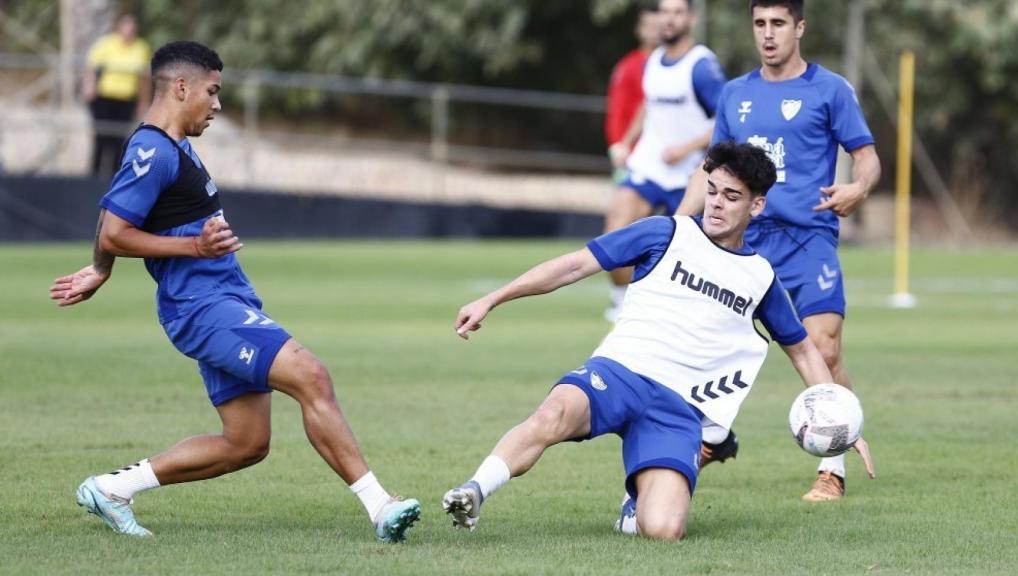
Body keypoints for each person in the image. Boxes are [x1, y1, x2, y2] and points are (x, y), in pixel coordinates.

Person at [49, 41, 420, 542]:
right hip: (202, 307)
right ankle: (380, 508)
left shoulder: (173, 146)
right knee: (311, 375)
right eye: (213, 91)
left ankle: (111, 489)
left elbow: (110, 214)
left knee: (246, 443)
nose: (218, 104)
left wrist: (101, 268)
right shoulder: (152, 148)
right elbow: (116, 228)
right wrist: (191, 251)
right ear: (181, 87)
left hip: (225, 298)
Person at [441, 142, 875, 540]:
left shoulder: (760, 277)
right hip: (619, 372)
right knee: (552, 414)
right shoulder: (664, 232)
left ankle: (635, 507)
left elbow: (802, 350)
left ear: (757, 205)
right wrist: (494, 298)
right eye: (713, 190)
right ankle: (475, 491)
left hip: (677, 408)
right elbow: (573, 266)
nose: (717, 204)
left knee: (664, 530)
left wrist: (839, 417)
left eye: (731, 196)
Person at [674, 0, 882, 502]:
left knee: (825, 348)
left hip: (809, 239)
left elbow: (867, 157)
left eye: (778, 24)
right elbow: (711, 173)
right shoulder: (735, 94)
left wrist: (858, 188)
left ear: (800, 27)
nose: (768, 35)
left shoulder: (829, 89)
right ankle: (714, 435)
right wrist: (676, 229)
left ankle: (832, 469)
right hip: (746, 244)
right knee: (707, 350)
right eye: (760, 24)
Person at [603, 0, 726, 322]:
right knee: (614, 235)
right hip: (649, 167)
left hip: (689, 174)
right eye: (664, 12)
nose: (668, 19)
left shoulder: (702, 66)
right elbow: (648, 104)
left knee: (683, 256)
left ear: (691, 18)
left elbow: (726, 121)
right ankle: (623, 305)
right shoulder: (654, 60)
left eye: (676, 12)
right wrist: (626, 142)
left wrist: (687, 148)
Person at [82, 14, 152, 179]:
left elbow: (144, 79)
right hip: (104, 99)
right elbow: (91, 67)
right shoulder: (107, 44)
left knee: (119, 140)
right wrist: (89, 86)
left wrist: (144, 102)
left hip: (126, 100)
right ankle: (93, 175)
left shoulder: (141, 48)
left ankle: (114, 177)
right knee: (100, 137)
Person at [604, 3, 661, 185]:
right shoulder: (628, 67)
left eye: (656, 26)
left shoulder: (673, 66)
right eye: (648, 26)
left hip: (664, 155)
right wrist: (618, 146)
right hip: (633, 155)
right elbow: (616, 110)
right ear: (639, 29)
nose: (652, 31)